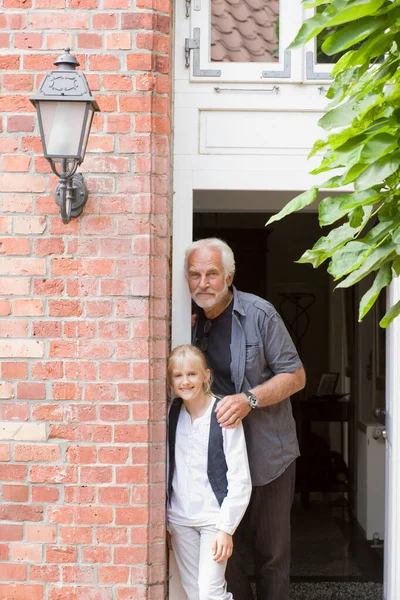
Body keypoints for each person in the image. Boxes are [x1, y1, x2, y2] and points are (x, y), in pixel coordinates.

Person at [185, 237, 306, 600]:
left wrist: (249, 399)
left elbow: (296, 375)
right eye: (194, 275)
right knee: (223, 554)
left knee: (271, 558)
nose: (202, 283)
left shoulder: (259, 313)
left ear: (230, 276)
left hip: (269, 455)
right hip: (218, 462)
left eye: (211, 274)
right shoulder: (185, 320)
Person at [167, 344, 252, 600]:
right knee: (194, 592)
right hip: (180, 519)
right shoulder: (170, 414)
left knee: (210, 593)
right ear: (170, 381)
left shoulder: (223, 415)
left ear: (206, 375)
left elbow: (240, 479)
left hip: (213, 521)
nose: (185, 381)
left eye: (192, 374)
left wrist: (226, 529)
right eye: (178, 376)